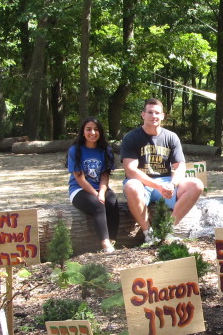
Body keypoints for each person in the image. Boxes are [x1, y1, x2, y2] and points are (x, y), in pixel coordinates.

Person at [120, 98, 204, 245]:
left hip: (165, 182)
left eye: (157, 113)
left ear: (163, 116)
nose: (154, 116)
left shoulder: (171, 137)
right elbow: (130, 170)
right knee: (131, 185)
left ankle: (167, 230)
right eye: (150, 112)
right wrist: (156, 186)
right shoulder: (131, 137)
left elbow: (180, 166)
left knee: (196, 184)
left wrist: (172, 184)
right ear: (143, 114)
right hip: (141, 183)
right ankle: (148, 233)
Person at [67, 117, 119, 253]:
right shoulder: (75, 150)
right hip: (79, 190)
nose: (93, 133)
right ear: (83, 132)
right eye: (88, 129)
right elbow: (80, 179)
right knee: (98, 205)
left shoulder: (106, 150)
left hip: (100, 187)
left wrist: (101, 192)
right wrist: (96, 195)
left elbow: (105, 176)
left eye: (96, 129)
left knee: (112, 201)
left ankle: (113, 240)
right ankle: (106, 245)